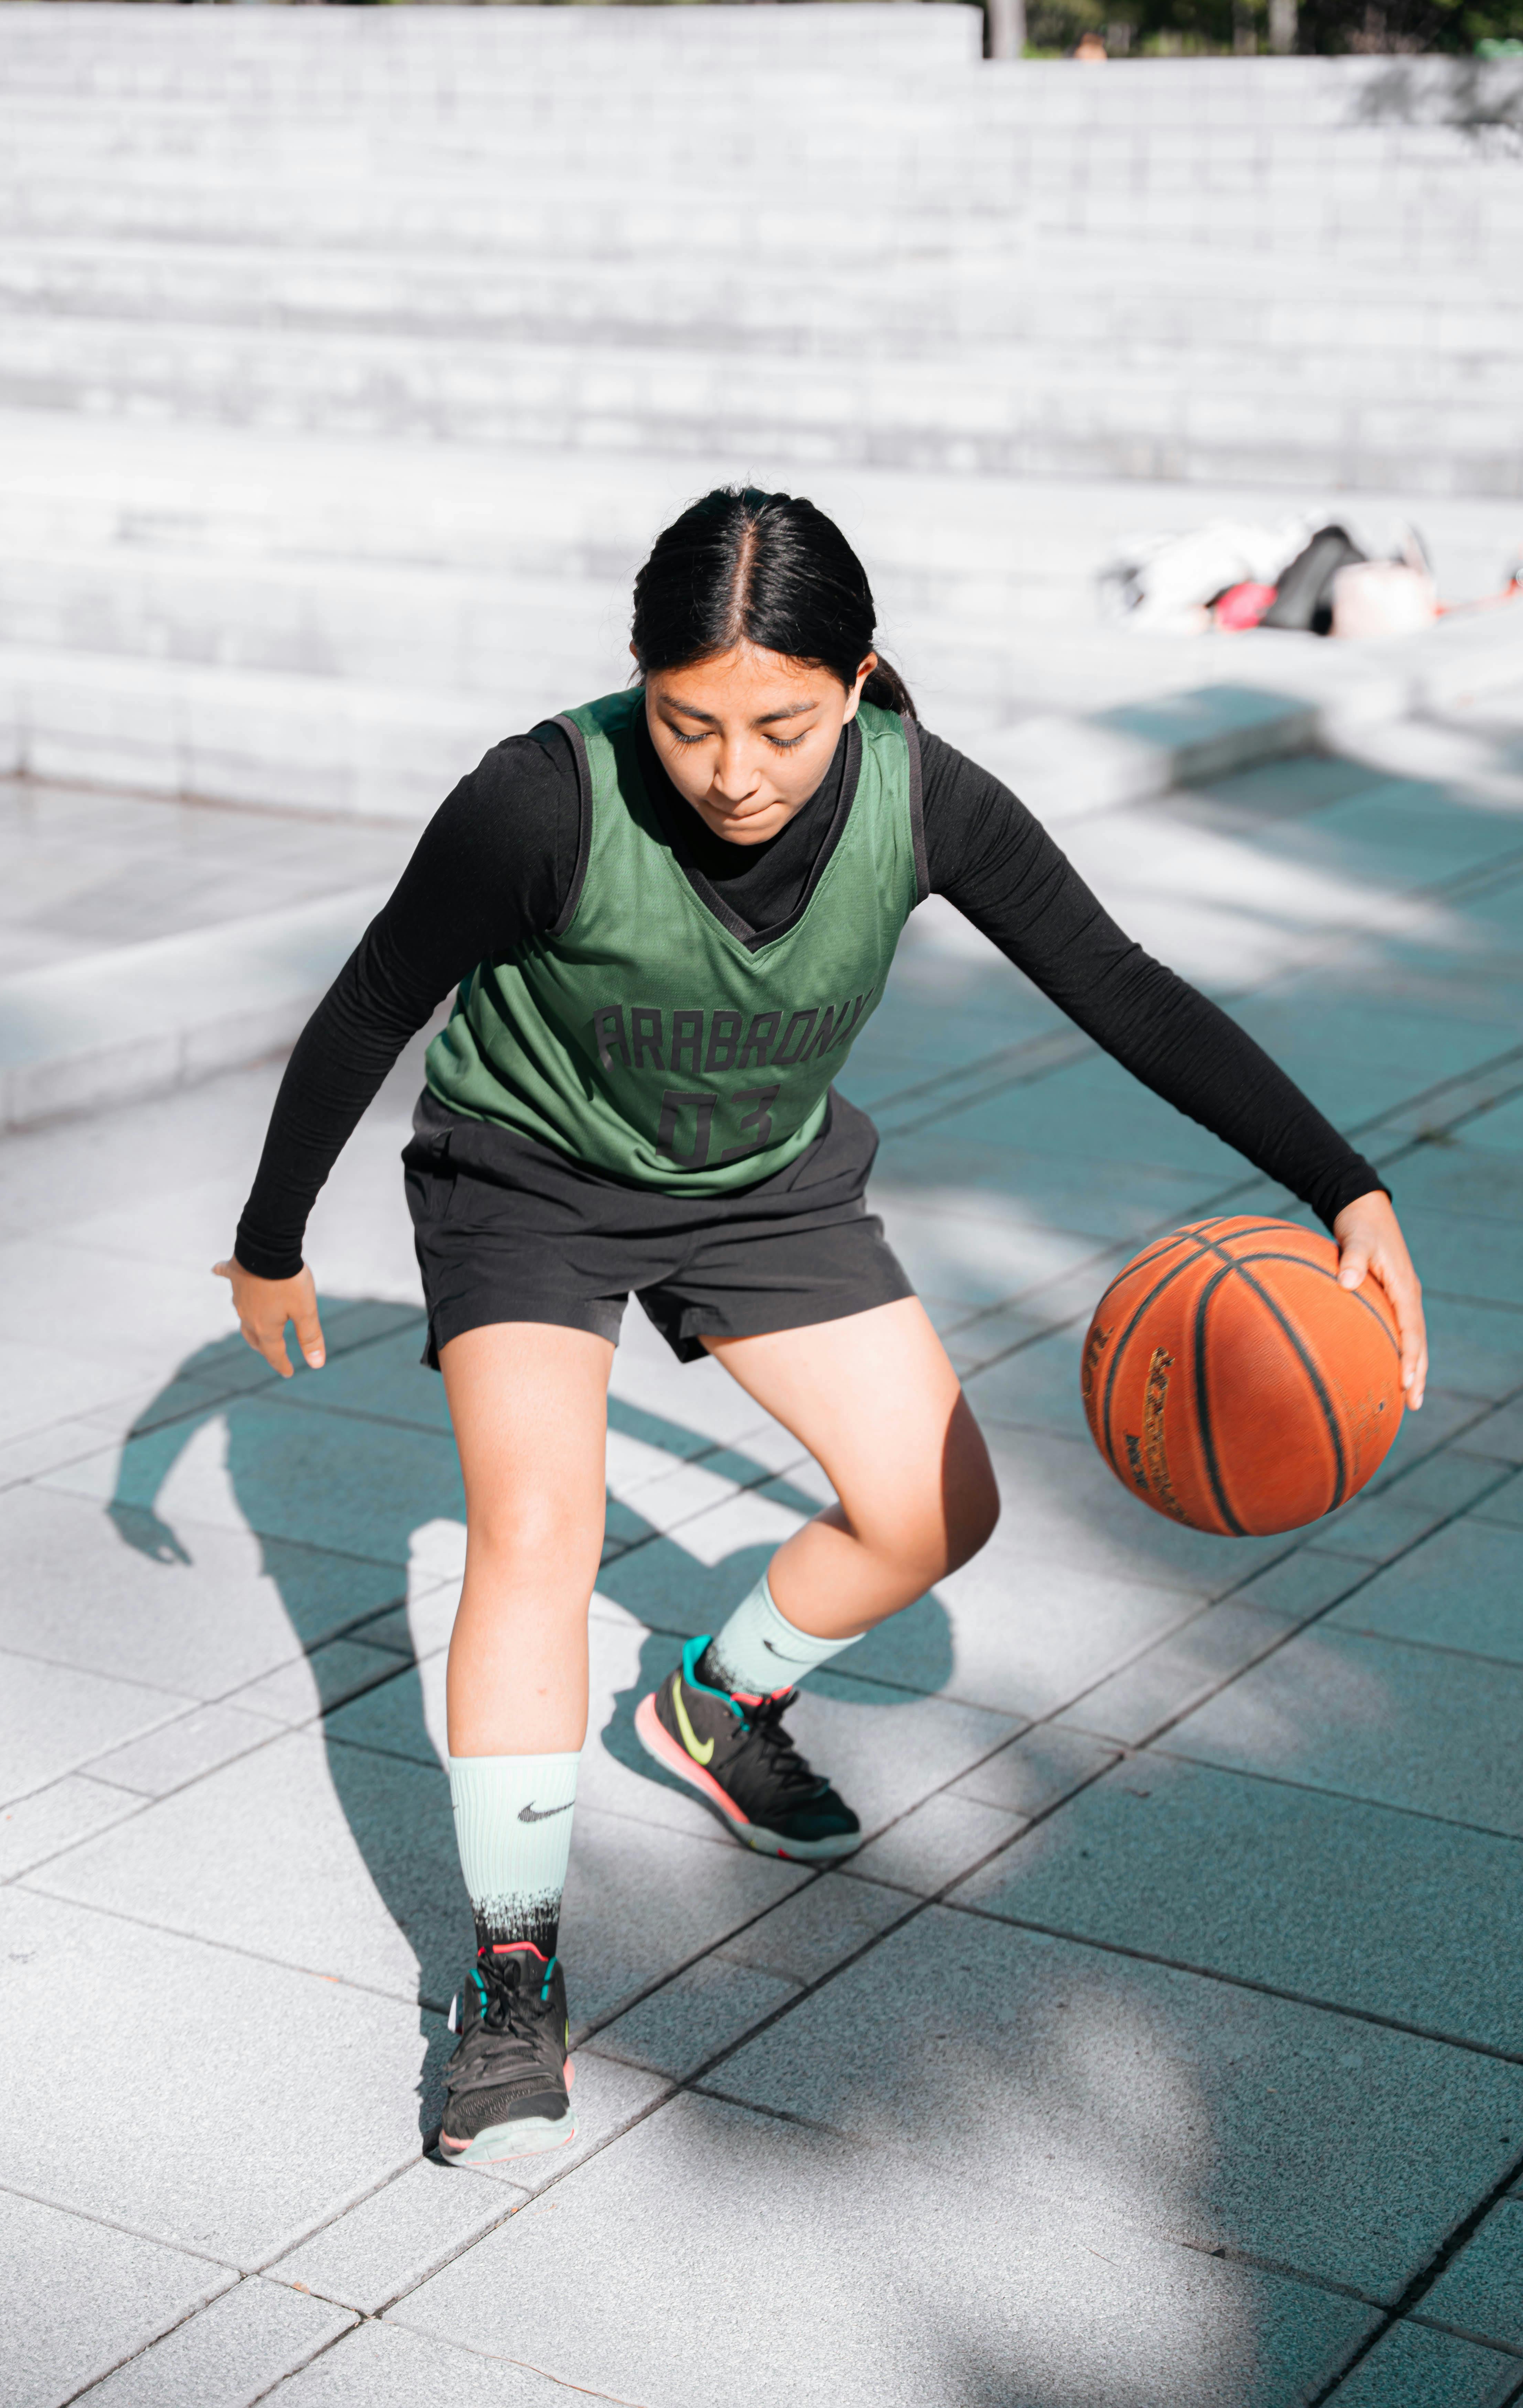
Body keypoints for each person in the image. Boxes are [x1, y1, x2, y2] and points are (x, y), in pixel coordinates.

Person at [215, 486, 1426, 2169]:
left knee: (939, 1510)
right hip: (528, 1178)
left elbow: (1126, 987)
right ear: (638, 691)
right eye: (688, 721)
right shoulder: (532, 802)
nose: (732, 768)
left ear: (855, 683)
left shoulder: (927, 804)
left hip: (759, 1183)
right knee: (539, 1533)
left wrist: (1343, 1187)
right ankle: (509, 1974)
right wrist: (271, 1244)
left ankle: (717, 1704)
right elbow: (369, 1003)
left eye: (780, 723)